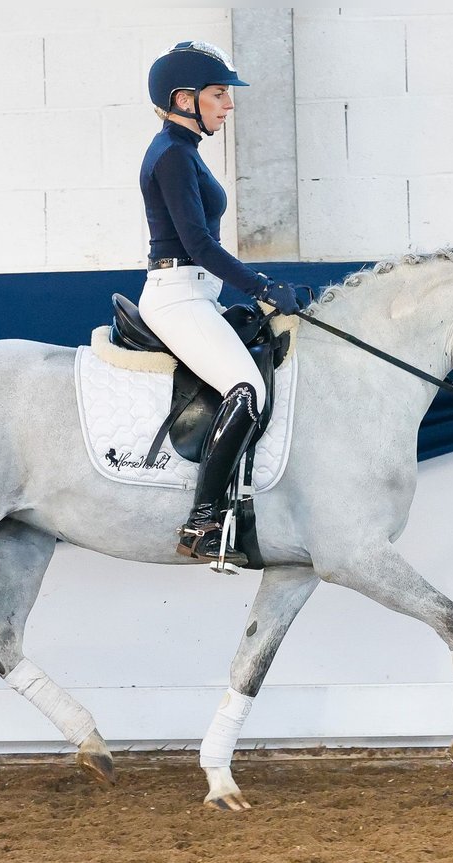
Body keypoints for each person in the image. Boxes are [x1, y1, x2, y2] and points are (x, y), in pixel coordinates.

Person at [139, 40, 305, 566]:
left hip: (195, 292)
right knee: (247, 389)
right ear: (184, 99)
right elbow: (198, 246)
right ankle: (204, 522)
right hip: (176, 295)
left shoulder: (183, 152)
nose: (228, 105)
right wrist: (261, 286)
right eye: (218, 95)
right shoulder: (171, 156)